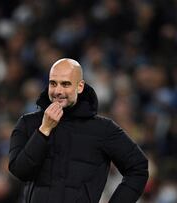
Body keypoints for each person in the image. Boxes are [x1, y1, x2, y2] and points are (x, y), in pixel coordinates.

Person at [8, 58, 148, 203]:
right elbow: (20, 171)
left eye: (65, 84)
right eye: (53, 83)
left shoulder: (103, 129)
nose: (58, 91)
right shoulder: (28, 123)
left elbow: (138, 168)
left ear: (80, 87)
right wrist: (44, 130)